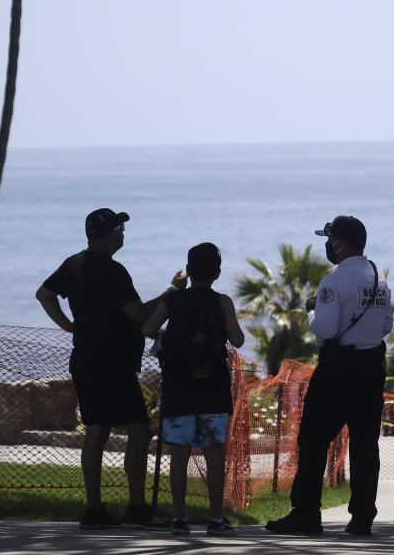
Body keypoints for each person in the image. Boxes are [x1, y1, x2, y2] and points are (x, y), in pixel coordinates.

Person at [35, 208, 186, 529]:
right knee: (139, 430)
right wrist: (172, 293)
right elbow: (140, 315)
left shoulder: (73, 263)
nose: (123, 234)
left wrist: (69, 326)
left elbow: (44, 294)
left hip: (86, 358)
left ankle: (94, 509)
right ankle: (137, 508)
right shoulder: (112, 271)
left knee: (97, 430)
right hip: (112, 362)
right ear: (109, 234)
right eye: (120, 229)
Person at [266, 216, 393, 536]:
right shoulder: (378, 278)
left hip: (338, 370)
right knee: (365, 445)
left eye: (330, 239)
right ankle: (363, 516)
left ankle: (307, 513)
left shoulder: (334, 281)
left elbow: (324, 327)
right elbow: (387, 325)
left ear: (339, 243)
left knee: (313, 440)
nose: (327, 245)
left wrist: (311, 309)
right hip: (371, 368)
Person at [142, 242, 245, 536]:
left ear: (188, 271)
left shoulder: (175, 300)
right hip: (212, 386)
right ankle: (215, 518)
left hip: (179, 385)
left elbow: (146, 328)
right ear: (218, 272)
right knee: (214, 452)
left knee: (180, 452)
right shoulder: (222, 301)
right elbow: (237, 340)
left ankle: (179, 518)